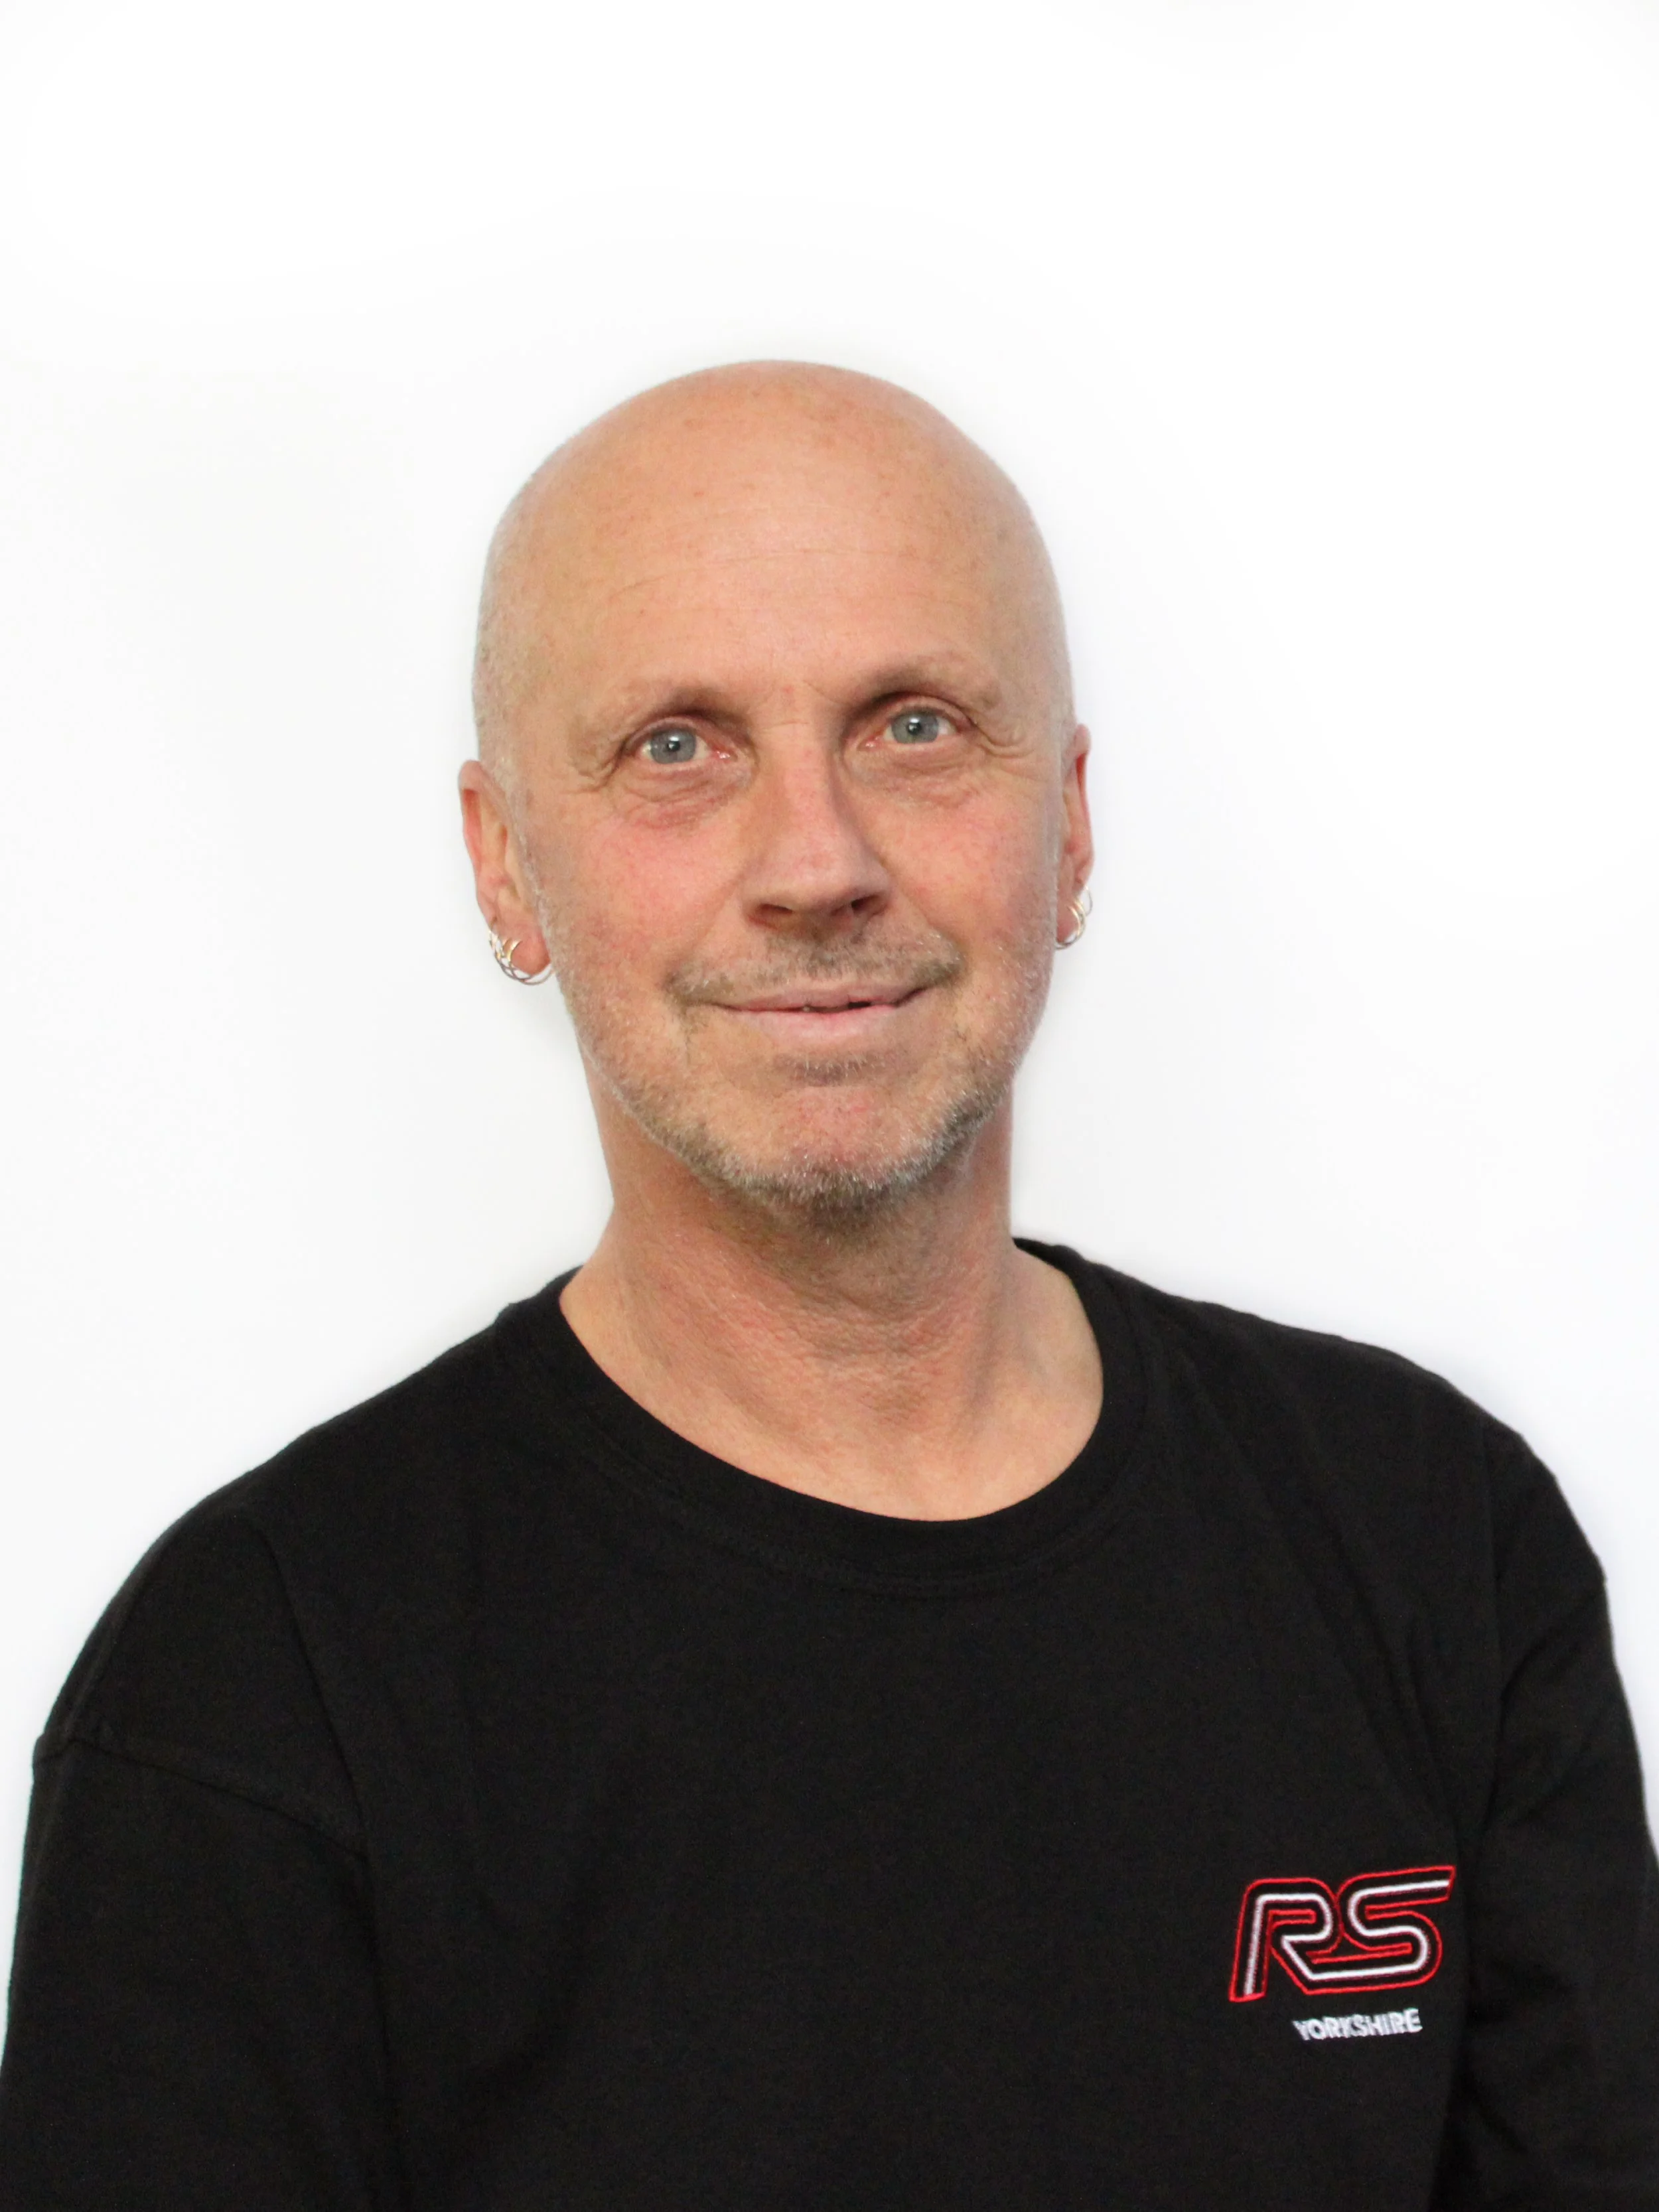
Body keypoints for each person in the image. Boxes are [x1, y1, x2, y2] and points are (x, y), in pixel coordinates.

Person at [0, 361, 1654, 2211]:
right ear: (502, 864)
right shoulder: (251, 1694)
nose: (816, 861)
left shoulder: (1435, 1542)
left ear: (1072, 825)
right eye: (677, 746)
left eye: (917, 725)